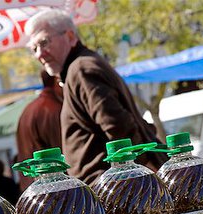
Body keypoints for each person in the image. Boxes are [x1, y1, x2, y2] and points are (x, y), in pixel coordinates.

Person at [24, 10, 167, 186]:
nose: (39, 54)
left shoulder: (81, 69)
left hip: (113, 189)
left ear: (70, 36)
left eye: (44, 43)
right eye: (34, 48)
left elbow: (119, 127)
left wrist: (138, 179)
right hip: (113, 186)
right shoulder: (79, 67)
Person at [16, 69, 63, 191]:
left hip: (32, 189)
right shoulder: (52, 109)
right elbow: (63, 153)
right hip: (51, 190)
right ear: (57, 80)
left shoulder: (28, 109)